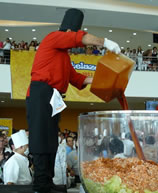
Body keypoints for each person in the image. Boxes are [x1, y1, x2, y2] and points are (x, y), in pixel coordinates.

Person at [26, 8, 120, 193]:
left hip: (54, 97)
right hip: (40, 93)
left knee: (51, 140)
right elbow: (80, 38)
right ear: (68, 32)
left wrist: (104, 79)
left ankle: (47, 181)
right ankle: (40, 184)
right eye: (73, 35)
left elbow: (78, 79)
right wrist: (105, 42)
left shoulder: (64, 57)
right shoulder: (53, 37)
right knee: (40, 139)